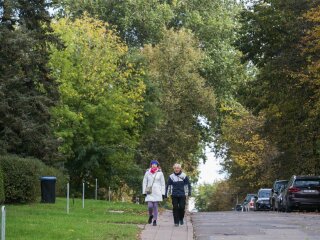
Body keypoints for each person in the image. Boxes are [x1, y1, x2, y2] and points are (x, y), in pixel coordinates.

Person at [142, 160, 166, 226]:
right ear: (151, 165)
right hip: (149, 191)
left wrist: (163, 193)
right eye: (152, 164)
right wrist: (144, 191)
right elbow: (144, 182)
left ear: (157, 165)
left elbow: (163, 183)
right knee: (150, 206)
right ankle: (150, 216)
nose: (154, 165)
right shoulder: (147, 172)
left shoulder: (160, 173)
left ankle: (155, 220)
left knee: (155, 206)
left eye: (155, 164)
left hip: (157, 192)